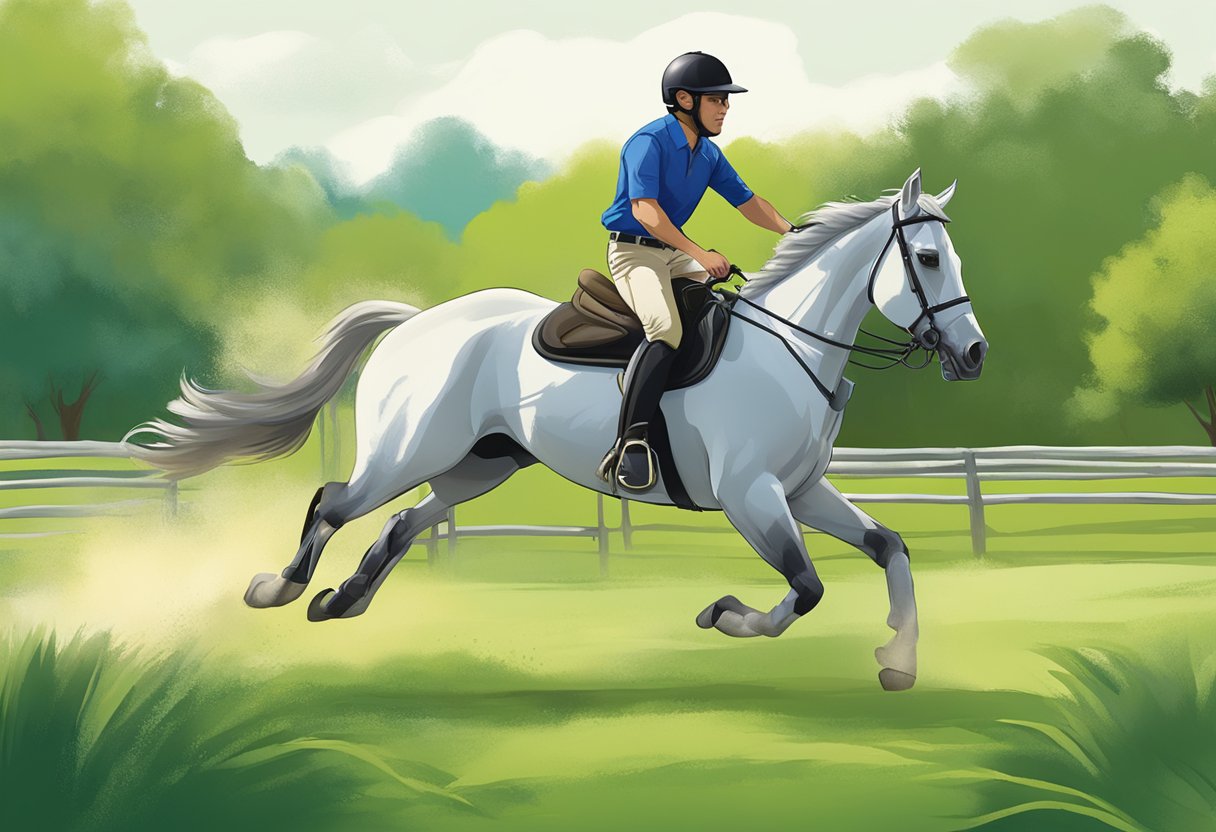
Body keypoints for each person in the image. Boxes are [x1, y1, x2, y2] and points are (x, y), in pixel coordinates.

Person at [596, 51, 794, 492]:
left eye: (726, 101)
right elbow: (645, 211)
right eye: (717, 99)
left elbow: (749, 203)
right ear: (685, 99)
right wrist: (699, 254)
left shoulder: (707, 153)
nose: (726, 107)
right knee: (665, 328)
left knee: (726, 312)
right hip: (635, 252)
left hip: (671, 251)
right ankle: (631, 442)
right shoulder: (646, 142)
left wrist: (793, 231)